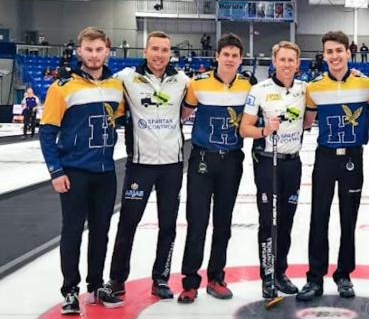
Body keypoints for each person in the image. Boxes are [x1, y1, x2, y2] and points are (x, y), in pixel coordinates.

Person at [39, 27, 125, 315]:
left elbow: (119, 119)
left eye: (99, 49)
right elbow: (48, 132)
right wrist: (55, 171)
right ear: (79, 51)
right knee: (73, 231)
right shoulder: (62, 87)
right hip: (74, 172)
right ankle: (70, 290)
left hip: (105, 172)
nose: (94, 55)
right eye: (88, 50)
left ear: (107, 51)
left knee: (101, 232)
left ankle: (96, 284)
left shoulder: (116, 86)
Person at [106, 31, 190, 301]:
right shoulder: (127, 78)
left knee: (168, 225)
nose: (159, 55)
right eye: (154, 49)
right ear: (145, 51)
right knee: (128, 223)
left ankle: (161, 278)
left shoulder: (183, 81)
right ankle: (117, 280)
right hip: (140, 165)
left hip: (172, 166)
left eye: (165, 50)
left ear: (170, 53)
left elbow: (191, 108)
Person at [297, 31, 369, 301]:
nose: (334, 56)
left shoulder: (367, 85)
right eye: (329, 52)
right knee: (318, 217)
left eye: (338, 51)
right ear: (324, 55)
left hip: (353, 157)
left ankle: (344, 274)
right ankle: (315, 278)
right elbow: (306, 122)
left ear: (348, 53)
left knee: (348, 219)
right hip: (326, 157)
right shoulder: (314, 88)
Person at [177, 34, 252, 303]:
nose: (230, 59)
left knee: (223, 224)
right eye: (226, 54)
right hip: (202, 159)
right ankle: (189, 281)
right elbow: (183, 114)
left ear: (241, 59)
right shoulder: (198, 84)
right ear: (217, 56)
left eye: (235, 55)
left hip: (231, 159)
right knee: (197, 222)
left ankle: (216, 277)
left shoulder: (248, 86)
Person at [240, 41, 307, 300]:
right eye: (283, 60)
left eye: (292, 60)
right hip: (268, 161)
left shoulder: (305, 90)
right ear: (274, 61)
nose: (287, 64)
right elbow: (244, 128)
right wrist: (265, 130)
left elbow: (310, 118)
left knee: (287, 221)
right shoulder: (259, 90)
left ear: (298, 64)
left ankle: (281, 272)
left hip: (293, 162)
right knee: (269, 220)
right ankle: (267, 276)